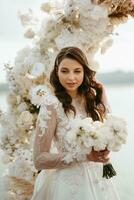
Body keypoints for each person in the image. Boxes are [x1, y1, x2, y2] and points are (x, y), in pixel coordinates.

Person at [31, 47, 120, 200]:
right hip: (68, 184)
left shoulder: (91, 98)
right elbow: (39, 160)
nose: (71, 78)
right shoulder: (51, 104)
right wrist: (84, 156)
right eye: (64, 71)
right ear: (56, 72)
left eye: (77, 71)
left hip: (98, 180)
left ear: (85, 72)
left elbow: (110, 133)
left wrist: (103, 151)